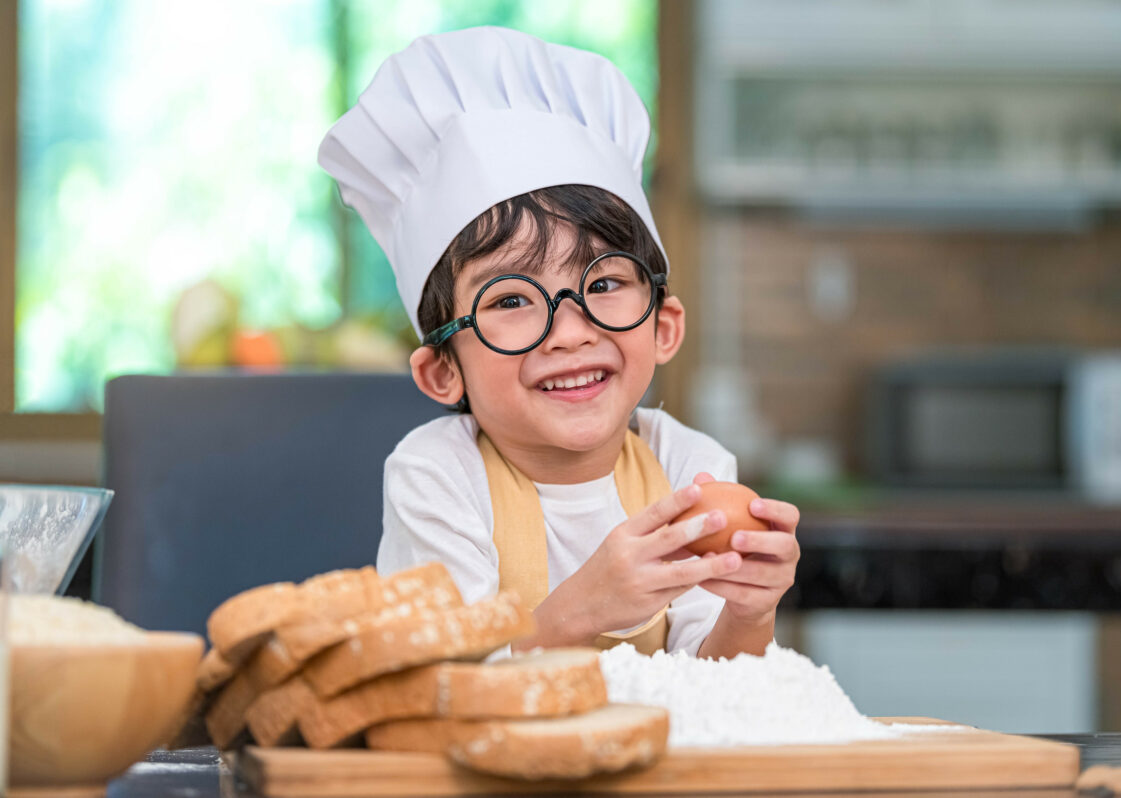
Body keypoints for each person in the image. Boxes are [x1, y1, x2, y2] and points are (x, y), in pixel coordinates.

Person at [319, 26, 800, 658]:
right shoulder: (439, 476)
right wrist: (581, 609)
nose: (571, 332)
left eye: (603, 283)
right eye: (512, 300)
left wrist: (749, 612)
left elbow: (713, 688)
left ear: (662, 328)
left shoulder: (688, 465)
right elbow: (438, 684)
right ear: (443, 371)